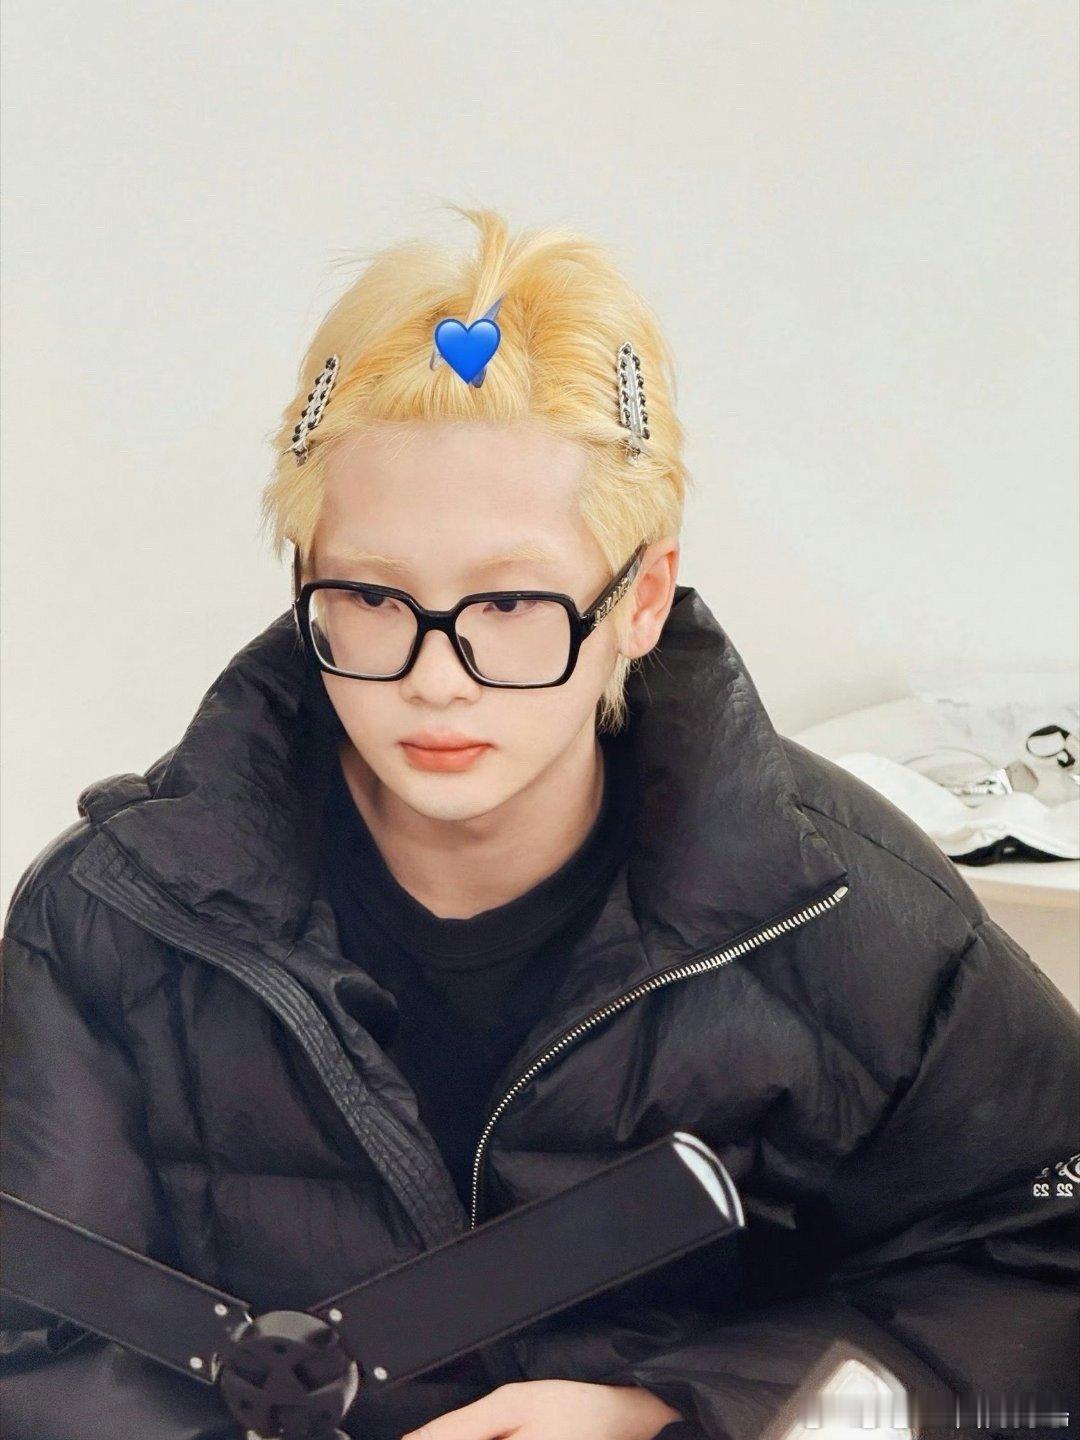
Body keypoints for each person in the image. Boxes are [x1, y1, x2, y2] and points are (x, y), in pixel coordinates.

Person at [1, 205, 1077, 1440]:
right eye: (371, 596)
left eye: (512, 603)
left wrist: (670, 1413)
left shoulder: (852, 924)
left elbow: (1037, 1282)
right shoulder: (110, 924)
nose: (435, 678)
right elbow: (28, 1343)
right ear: (306, 580)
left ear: (641, 598)